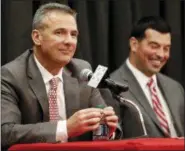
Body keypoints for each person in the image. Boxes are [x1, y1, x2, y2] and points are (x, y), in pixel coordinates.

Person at [1, 3, 120, 149]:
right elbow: (5, 133)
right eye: (59, 32)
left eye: (73, 34)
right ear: (37, 37)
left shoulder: (83, 70)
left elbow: (101, 126)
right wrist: (66, 128)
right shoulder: (9, 75)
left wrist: (105, 130)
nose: (69, 41)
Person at [109, 16, 184, 138]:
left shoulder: (175, 88)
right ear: (134, 44)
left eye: (166, 48)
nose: (161, 54)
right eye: (154, 46)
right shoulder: (112, 87)